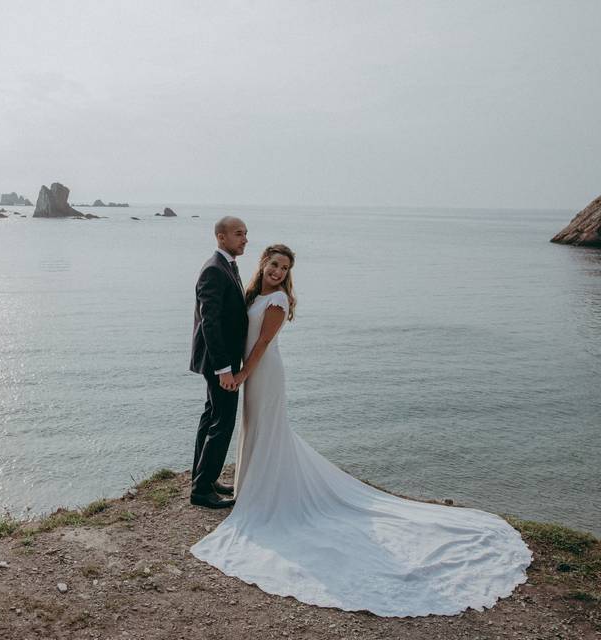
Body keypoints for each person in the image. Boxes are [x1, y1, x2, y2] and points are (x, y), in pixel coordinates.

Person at [190, 244, 532, 617]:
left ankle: (269, 490)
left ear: (289, 273)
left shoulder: (278, 303)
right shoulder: (257, 292)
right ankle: (253, 483)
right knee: (255, 428)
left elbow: (261, 344)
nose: (278, 272)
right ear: (264, 264)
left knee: (270, 430)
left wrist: (241, 374)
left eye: (285, 268)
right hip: (252, 375)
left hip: (264, 373)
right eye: (274, 264)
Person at [189, 216, 248, 509]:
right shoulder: (214, 270)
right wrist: (224, 369)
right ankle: (202, 490)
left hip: (218, 360)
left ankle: (203, 478)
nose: (245, 239)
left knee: (211, 416)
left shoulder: (227, 266)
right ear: (221, 237)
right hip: (218, 362)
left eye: (246, 234)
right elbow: (210, 323)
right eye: (239, 234)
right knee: (222, 423)